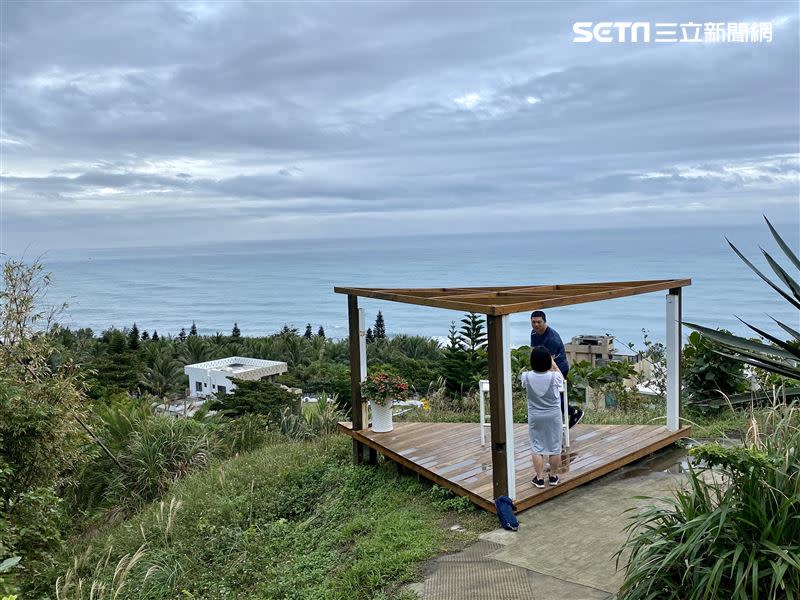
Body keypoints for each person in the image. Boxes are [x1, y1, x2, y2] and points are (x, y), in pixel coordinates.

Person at [530, 310, 584, 428]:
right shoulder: (534, 333)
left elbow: (551, 363)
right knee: (551, 398)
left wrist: (558, 378)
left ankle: (574, 413)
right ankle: (570, 414)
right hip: (545, 367)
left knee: (556, 398)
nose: (536, 325)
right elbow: (533, 352)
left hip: (559, 367)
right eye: (533, 322)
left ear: (545, 322)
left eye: (539, 322)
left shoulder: (551, 338)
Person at [520, 346, 563, 488]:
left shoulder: (525, 376)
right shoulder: (554, 376)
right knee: (555, 446)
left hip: (535, 415)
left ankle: (539, 478)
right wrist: (553, 363)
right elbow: (562, 380)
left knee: (537, 447)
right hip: (553, 415)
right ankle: (553, 476)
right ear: (547, 361)